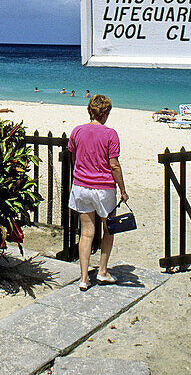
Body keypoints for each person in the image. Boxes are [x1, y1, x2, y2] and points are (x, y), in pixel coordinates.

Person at [67, 94, 128, 291]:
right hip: (103, 189)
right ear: (106, 113)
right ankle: (102, 271)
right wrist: (123, 189)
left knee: (86, 233)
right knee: (108, 229)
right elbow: (114, 165)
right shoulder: (110, 134)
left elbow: (75, 154)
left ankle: (84, 278)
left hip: (81, 186)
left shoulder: (77, 131)